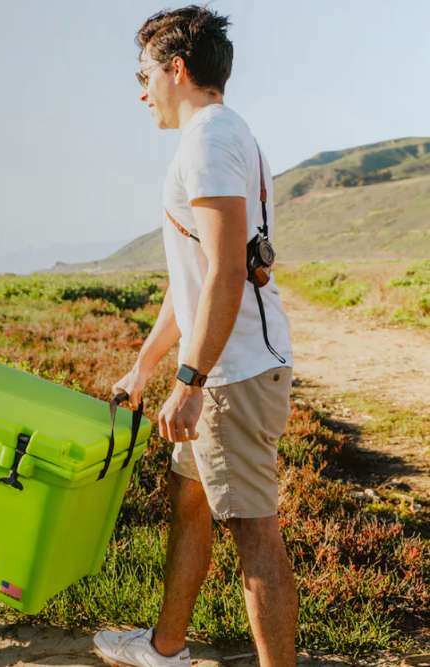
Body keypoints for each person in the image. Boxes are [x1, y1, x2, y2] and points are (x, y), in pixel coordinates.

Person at [93, 6, 296, 667]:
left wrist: (191, 381)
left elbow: (229, 271)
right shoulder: (222, 135)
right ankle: (166, 646)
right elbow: (197, 281)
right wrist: (145, 367)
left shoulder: (207, 142)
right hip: (224, 368)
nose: (141, 89)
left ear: (176, 69)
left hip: (230, 378)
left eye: (144, 73)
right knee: (190, 503)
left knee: (255, 533)